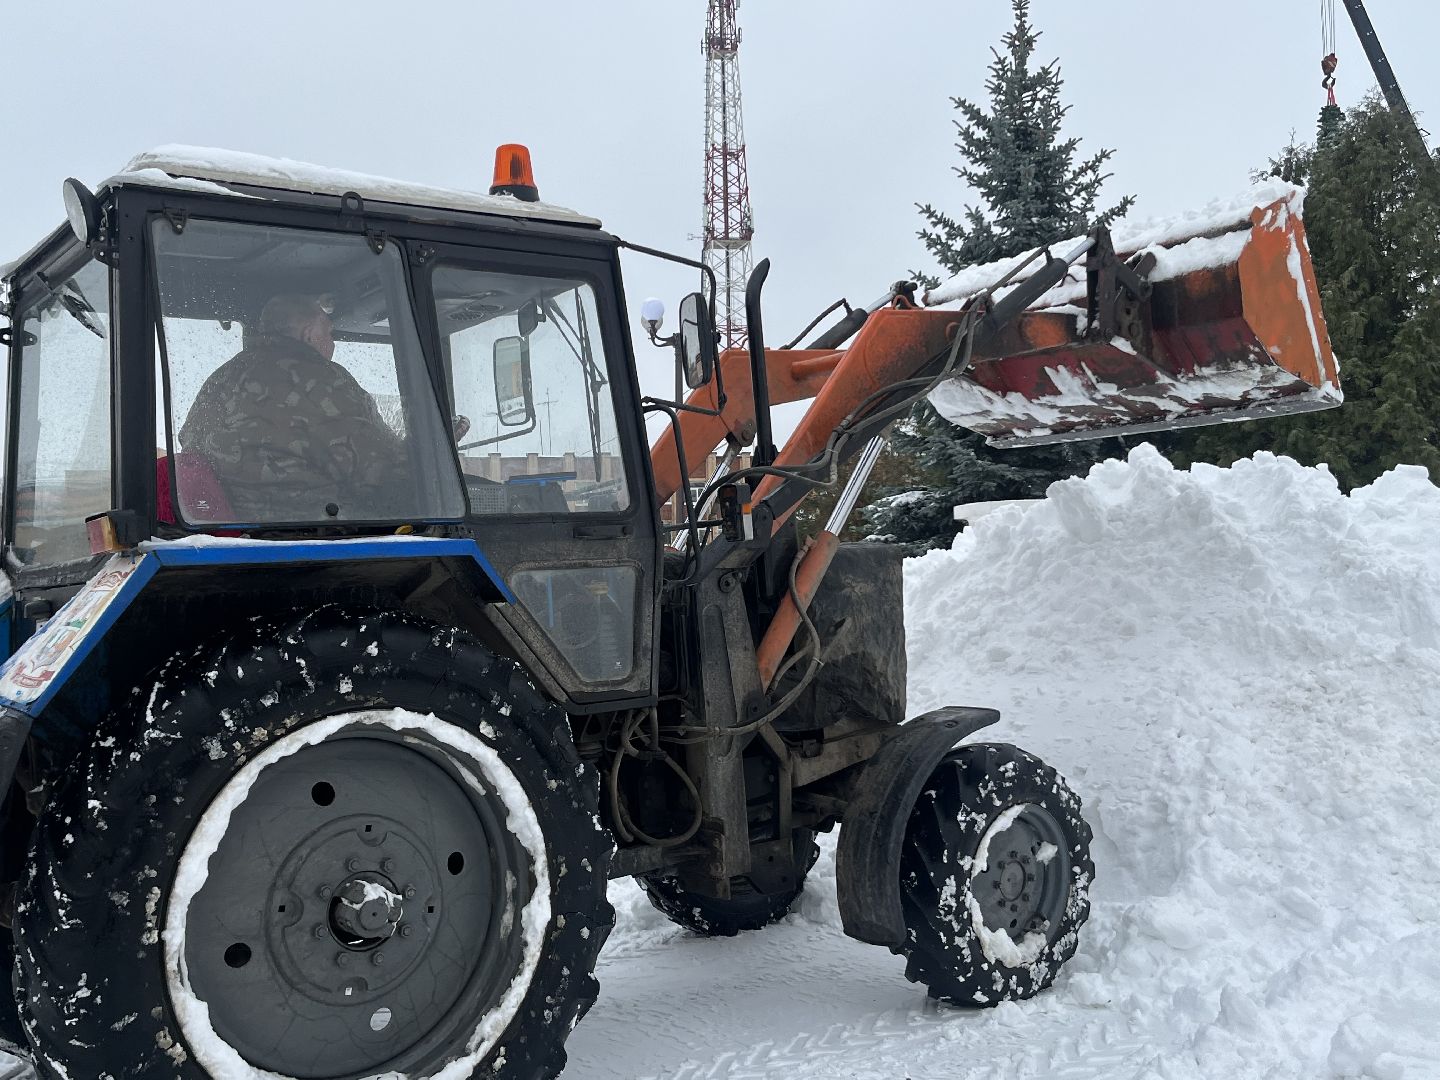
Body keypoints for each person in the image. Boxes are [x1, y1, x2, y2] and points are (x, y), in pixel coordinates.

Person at [178, 294, 406, 522]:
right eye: (329, 333)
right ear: (309, 335)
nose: (332, 342)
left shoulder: (220, 378)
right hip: (314, 529)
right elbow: (378, 469)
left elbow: (190, 447)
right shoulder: (324, 380)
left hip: (227, 529)